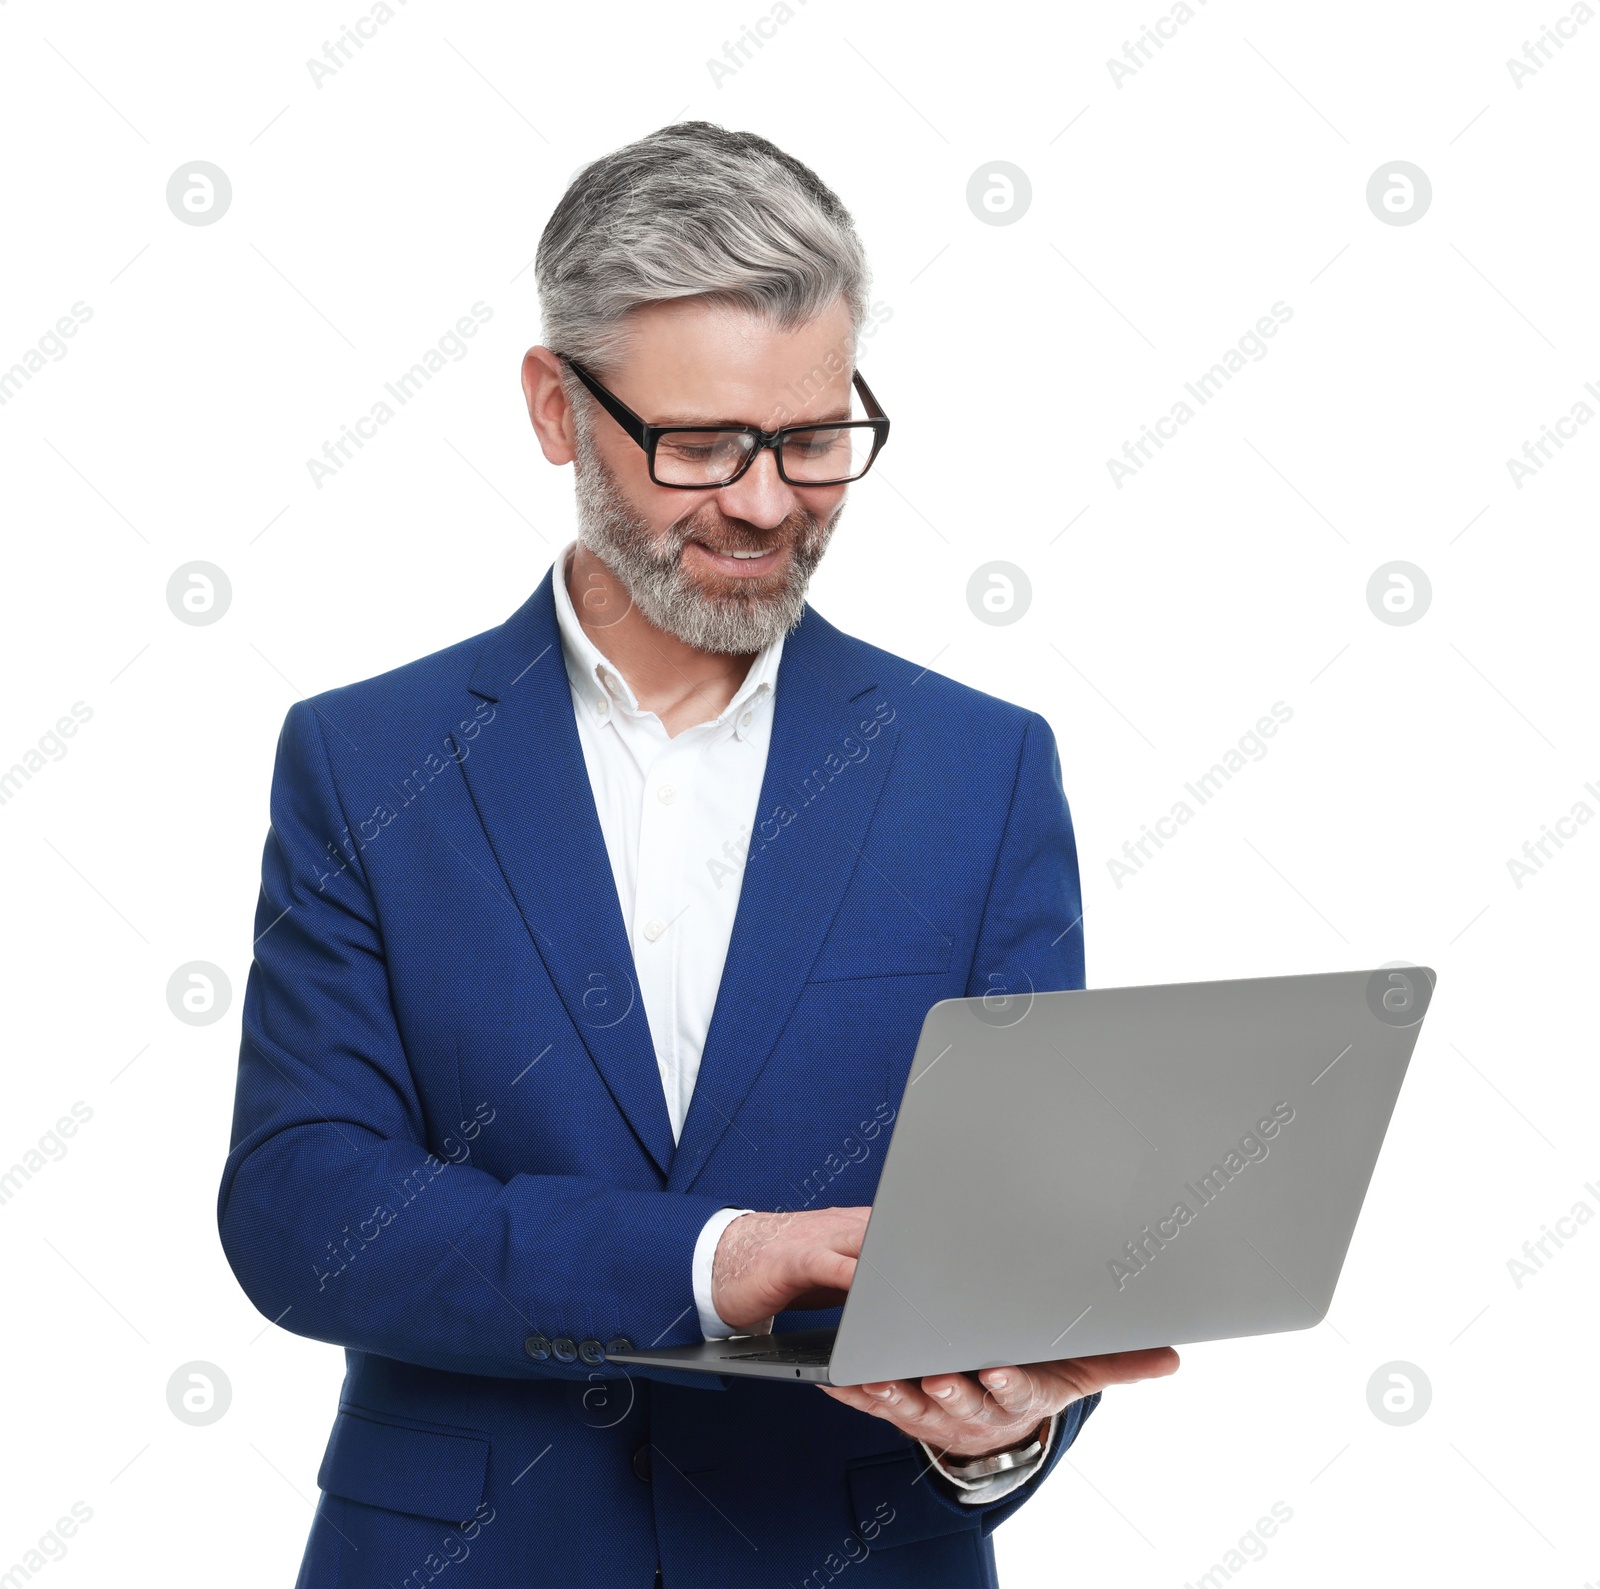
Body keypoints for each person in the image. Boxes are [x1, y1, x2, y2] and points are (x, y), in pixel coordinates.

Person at [218, 119, 1177, 1589]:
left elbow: (1020, 1241)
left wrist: (994, 1429)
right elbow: (306, 1209)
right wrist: (708, 1261)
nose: (765, 502)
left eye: (811, 439)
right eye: (702, 444)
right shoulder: (368, 761)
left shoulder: (981, 771)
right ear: (556, 406)